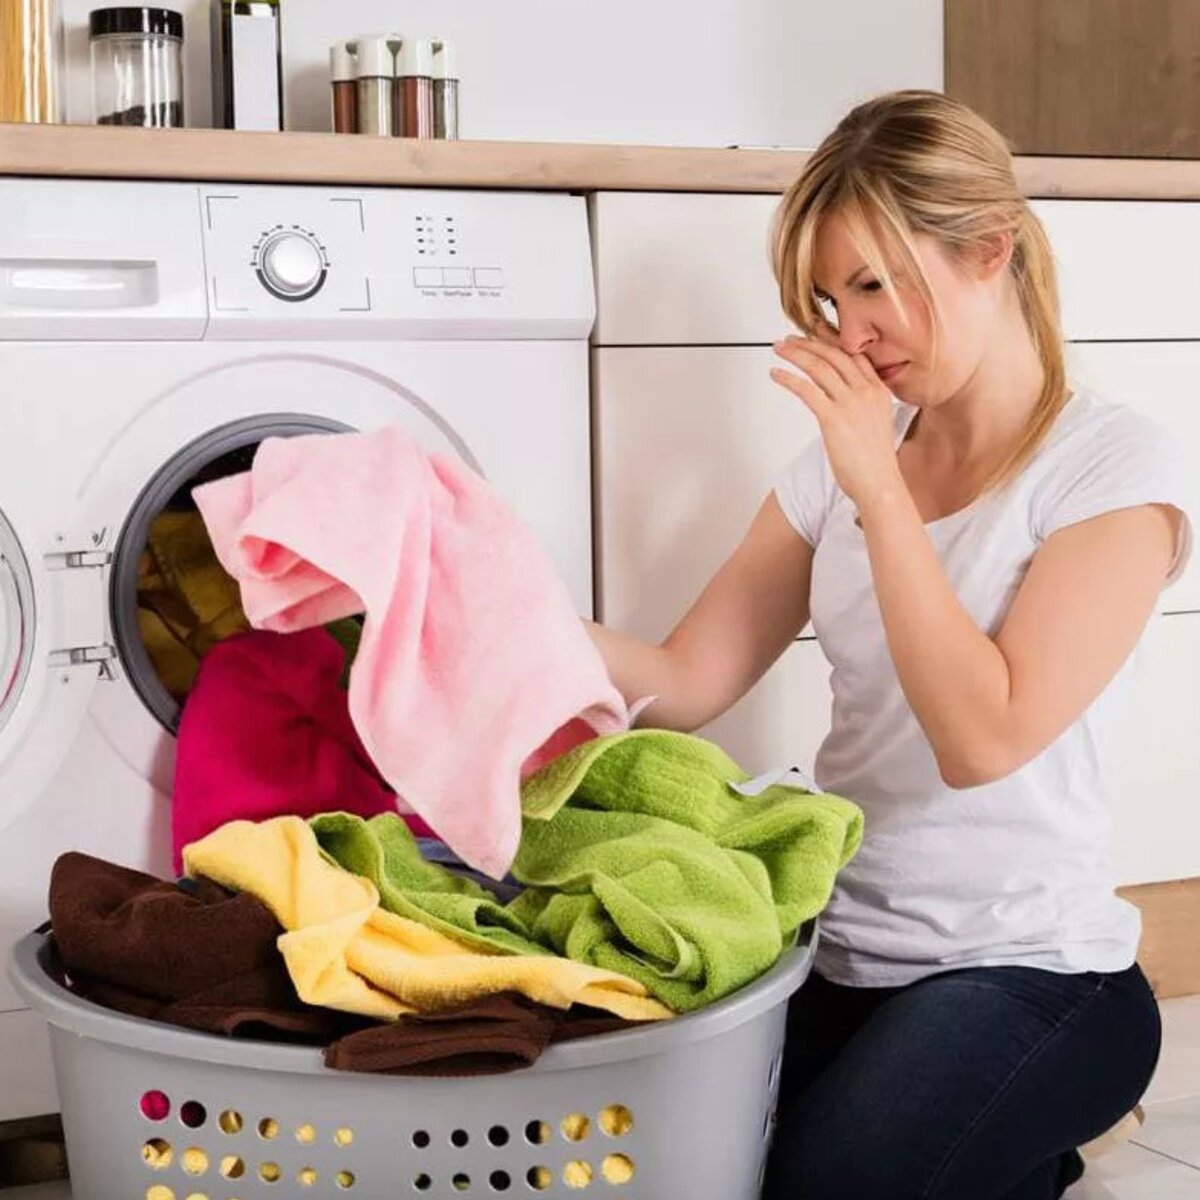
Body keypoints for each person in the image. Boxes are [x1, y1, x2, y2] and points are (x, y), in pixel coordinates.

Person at [585, 89, 1193, 1200]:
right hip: (841, 953)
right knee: (670, 1169)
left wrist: (881, 485)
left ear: (989, 251)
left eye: (873, 284)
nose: (849, 331)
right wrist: (475, 605)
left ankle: (1045, 1115)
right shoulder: (836, 470)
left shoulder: (1114, 473)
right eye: (827, 297)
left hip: (1032, 975)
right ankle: (1031, 1153)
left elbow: (983, 735)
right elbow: (685, 681)